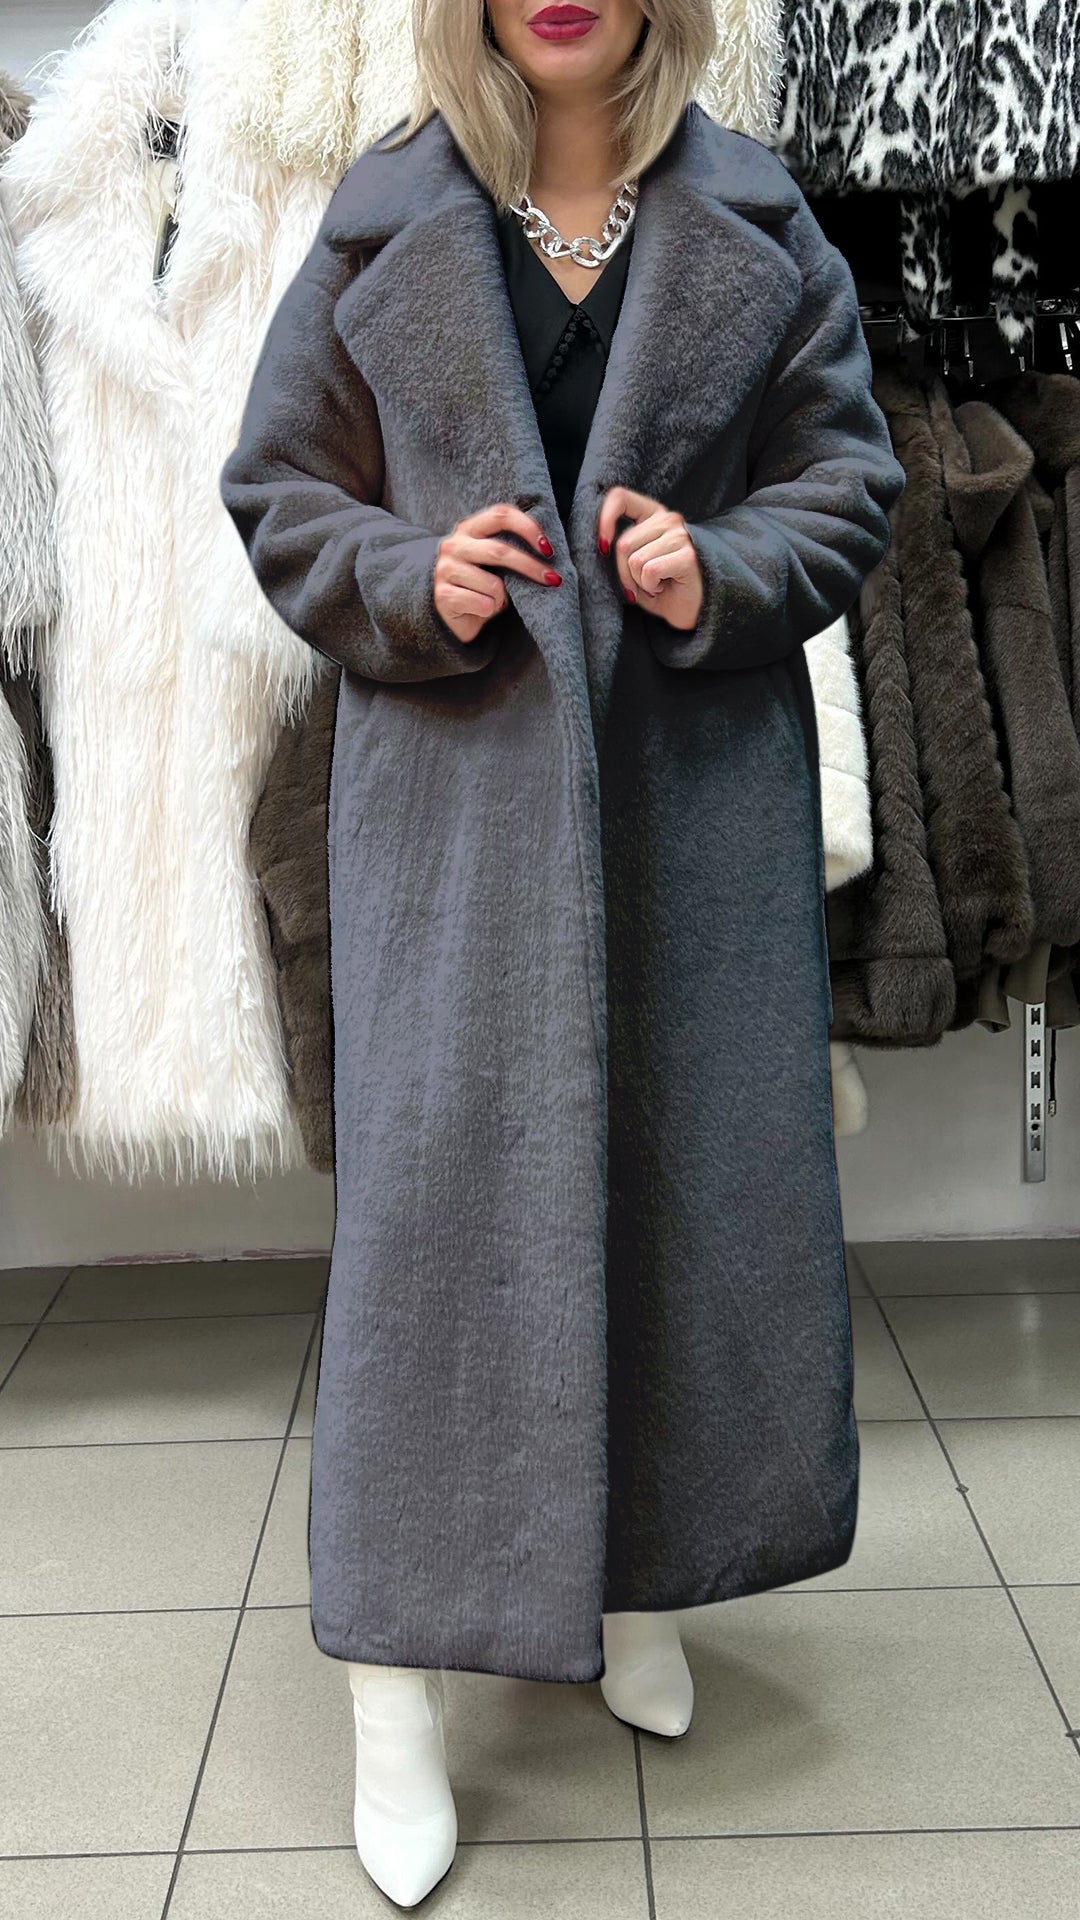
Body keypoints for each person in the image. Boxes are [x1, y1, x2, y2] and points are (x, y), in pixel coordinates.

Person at [221, 0, 906, 1906]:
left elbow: (849, 482)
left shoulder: (756, 217)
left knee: (675, 1202)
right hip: (453, 810)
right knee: (435, 1232)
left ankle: (638, 1580)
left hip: (688, 810)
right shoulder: (386, 213)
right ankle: (392, 1686)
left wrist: (721, 564)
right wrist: (408, 573)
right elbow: (282, 488)